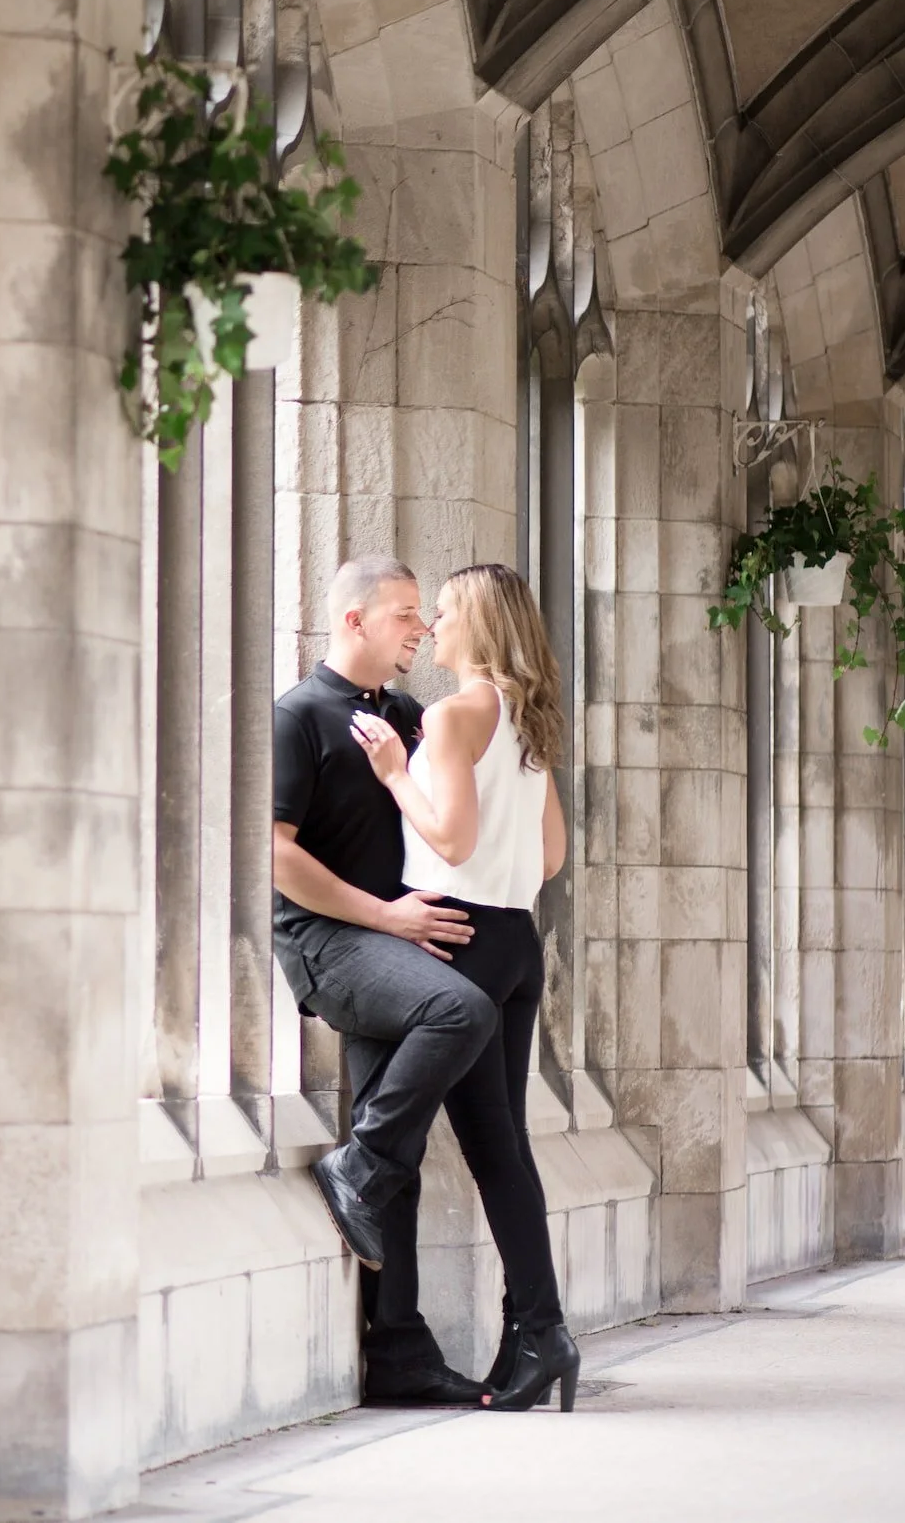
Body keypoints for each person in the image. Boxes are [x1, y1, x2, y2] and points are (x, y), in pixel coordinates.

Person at [348, 562, 579, 1412]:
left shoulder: (449, 717)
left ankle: (545, 1330)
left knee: (494, 1151)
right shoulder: (529, 720)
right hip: (518, 938)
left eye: (443, 612)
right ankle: (534, 1331)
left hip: (465, 933)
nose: (433, 626)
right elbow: (551, 859)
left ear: (477, 623)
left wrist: (394, 774)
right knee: (505, 1146)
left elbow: (449, 839)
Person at [272, 556, 496, 1407]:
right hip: (328, 943)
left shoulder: (405, 715)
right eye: (405, 613)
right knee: (458, 1011)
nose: (422, 629)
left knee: (398, 1140)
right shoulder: (297, 718)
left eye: (423, 613)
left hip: (392, 946)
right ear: (354, 621)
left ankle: (398, 1352)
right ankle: (357, 1165)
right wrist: (389, 917)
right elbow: (274, 856)